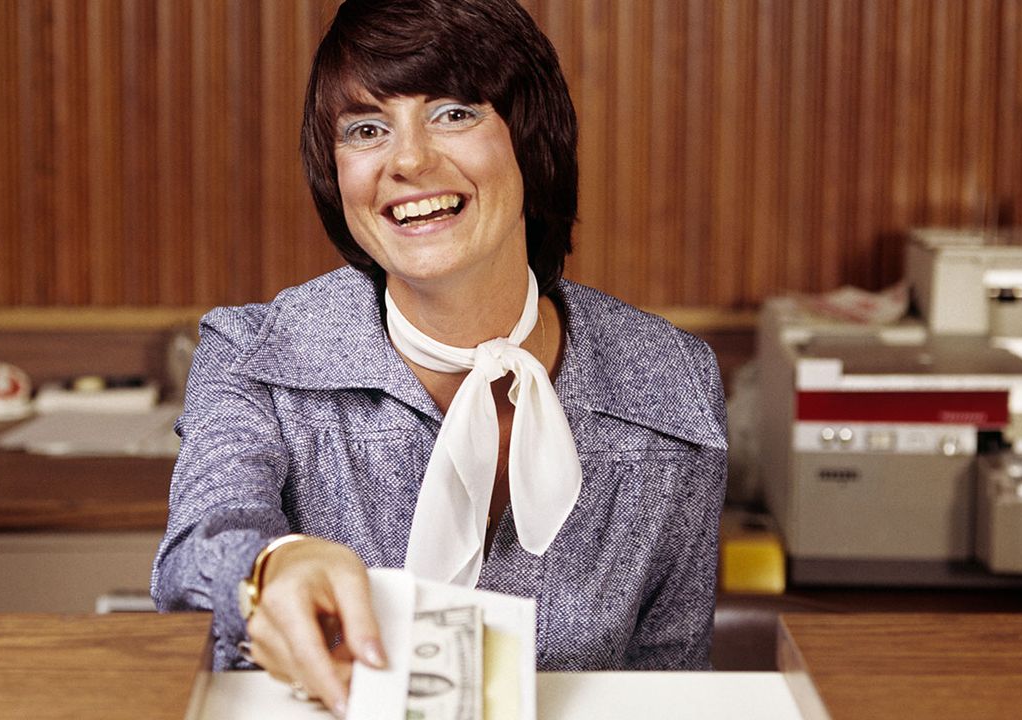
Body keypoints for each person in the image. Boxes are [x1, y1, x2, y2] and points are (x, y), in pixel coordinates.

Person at [152, 0, 727, 716]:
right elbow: (192, 556)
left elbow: (673, 688)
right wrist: (268, 567)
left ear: (529, 138)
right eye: (366, 129)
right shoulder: (254, 354)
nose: (409, 160)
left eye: (455, 112)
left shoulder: (672, 384)